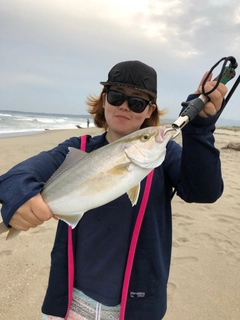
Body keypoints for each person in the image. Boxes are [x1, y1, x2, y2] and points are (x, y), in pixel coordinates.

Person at [0, 60, 227, 320]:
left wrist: (200, 129)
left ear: (149, 110)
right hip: (68, 303)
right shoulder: (76, 148)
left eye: (137, 102)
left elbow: (204, 191)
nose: (124, 106)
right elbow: (16, 176)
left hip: (136, 308)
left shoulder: (164, 156)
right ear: (104, 100)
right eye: (116, 96)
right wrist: (19, 198)